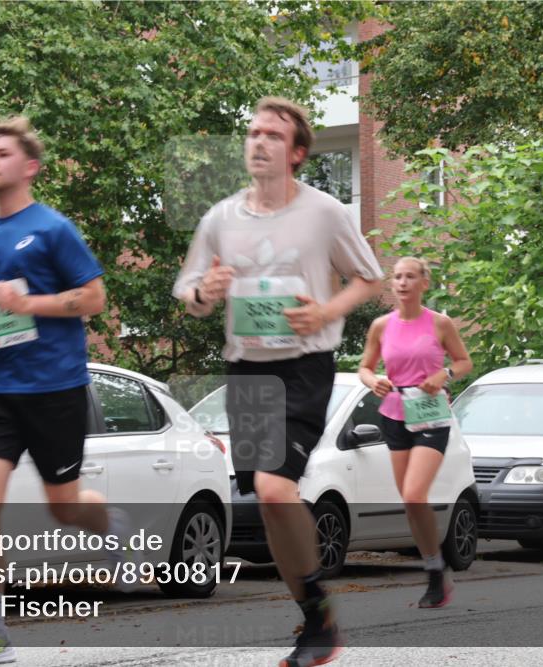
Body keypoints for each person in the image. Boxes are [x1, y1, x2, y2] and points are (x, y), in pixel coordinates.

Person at [173, 97, 383, 667]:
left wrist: (325, 312)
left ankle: (318, 615)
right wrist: (205, 292)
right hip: (247, 370)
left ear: (296, 153)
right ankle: (316, 616)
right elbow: (189, 292)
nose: (259, 142)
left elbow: (369, 279)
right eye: (253, 132)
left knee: (272, 488)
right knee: (268, 504)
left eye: (272, 135)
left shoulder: (324, 213)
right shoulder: (220, 218)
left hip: (302, 368)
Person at [0, 116, 132, 667]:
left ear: (29, 167)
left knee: (64, 508)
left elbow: (93, 298)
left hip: (56, 388)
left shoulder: (53, 229)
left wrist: (30, 304)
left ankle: (110, 527)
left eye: (1, 154)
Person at [358, 256, 472, 608]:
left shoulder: (440, 323)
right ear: (392, 284)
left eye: (410, 276)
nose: (403, 282)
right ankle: (435, 567)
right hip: (394, 414)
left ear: (424, 283)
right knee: (410, 502)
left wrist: (444, 375)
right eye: (397, 277)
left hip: (431, 415)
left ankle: (435, 571)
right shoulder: (381, 326)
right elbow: (365, 367)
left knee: (413, 492)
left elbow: (464, 362)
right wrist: (373, 381)